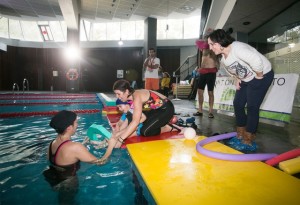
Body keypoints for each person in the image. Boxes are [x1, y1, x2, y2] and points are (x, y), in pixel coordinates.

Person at [207, 29, 274, 151]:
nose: (210, 48)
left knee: (252, 106)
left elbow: (256, 60)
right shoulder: (223, 58)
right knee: (238, 103)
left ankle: (248, 138)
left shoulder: (238, 48)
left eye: (212, 44)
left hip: (263, 74)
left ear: (219, 42)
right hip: (247, 78)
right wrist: (237, 78)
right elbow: (232, 70)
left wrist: (259, 76)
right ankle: (240, 133)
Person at [99, 79, 182, 161]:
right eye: (116, 94)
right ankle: (162, 123)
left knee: (145, 131)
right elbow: (132, 119)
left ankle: (168, 127)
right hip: (154, 110)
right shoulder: (132, 97)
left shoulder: (136, 97)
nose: (117, 97)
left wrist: (121, 139)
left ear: (127, 91)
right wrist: (117, 134)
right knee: (141, 126)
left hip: (166, 109)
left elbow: (135, 122)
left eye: (118, 94)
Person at [193, 40, 219, 118]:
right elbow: (197, 41)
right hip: (202, 72)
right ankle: (200, 110)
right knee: (200, 92)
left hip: (211, 72)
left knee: (210, 92)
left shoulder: (215, 48)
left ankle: (210, 112)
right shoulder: (204, 47)